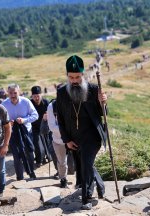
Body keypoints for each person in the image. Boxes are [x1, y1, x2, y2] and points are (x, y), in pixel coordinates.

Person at [56, 55, 106, 210]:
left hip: (92, 136)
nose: (74, 80)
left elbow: (104, 113)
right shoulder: (62, 92)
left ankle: (87, 198)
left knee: (85, 164)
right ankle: (100, 183)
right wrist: (66, 139)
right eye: (71, 77)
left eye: (77, 77)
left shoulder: (93, 90)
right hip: (74, 137)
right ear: (67, 76)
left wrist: (103, 102)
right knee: (86, 164)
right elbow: (61, 119)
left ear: (82, 75)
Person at [2, 83, 39, 180]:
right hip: (12, 133)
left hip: (26, 131)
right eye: (11, 93)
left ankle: (31, 172)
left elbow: (35, 115)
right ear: (7, 93)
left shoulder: (26, 102)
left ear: (19, 92)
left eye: (15, 93)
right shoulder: (4, 104)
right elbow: (0, 120)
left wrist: (24, 120)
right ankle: (19, 176)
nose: (13, 95)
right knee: (16, 154)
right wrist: (8, 123)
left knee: (29, 152)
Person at [47, 99, 68, 188]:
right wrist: (66, 130)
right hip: (59, 139)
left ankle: (81, 180)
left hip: (75, 137)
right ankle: (63, 179)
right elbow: (52, 126)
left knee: (79, 161)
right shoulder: (52, 106)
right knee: (62, 161)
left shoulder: (74, 102)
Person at [30, 86, 49, 167]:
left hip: (45, 126)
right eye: (34, 96)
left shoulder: (46, 102)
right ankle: (39, 159)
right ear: (32, 96)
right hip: (35, 126)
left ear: (41, 95)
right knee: (37, 143)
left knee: (47, 142)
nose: (36, 98)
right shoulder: (30, 103)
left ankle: (48, 156)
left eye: (38, 96)